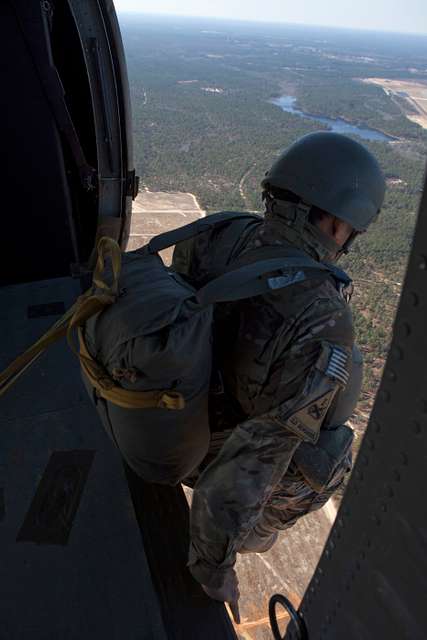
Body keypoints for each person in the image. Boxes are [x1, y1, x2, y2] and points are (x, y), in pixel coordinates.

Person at [172, 131, 386, 617]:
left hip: (166, 414)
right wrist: (213, 568)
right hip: (211, 453)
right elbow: (259, 455)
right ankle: (257, 534)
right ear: (336, 221)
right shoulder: (322, 316)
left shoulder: (216, 233)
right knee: (330, 454)